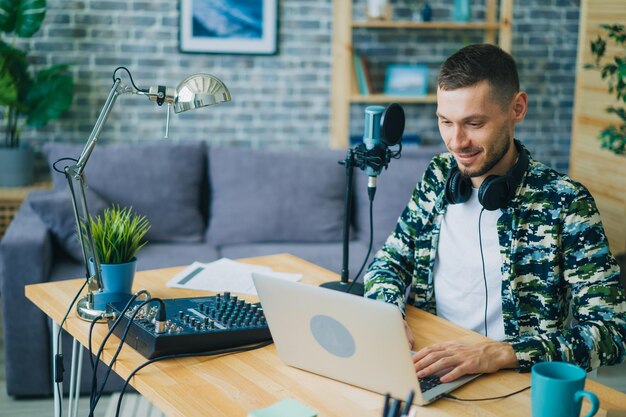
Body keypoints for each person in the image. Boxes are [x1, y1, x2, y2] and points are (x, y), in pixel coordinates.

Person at [363, 43, 626, 383]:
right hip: (429, 365)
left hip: (513, 377)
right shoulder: (439, 174)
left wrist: (502, 352)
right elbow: (389, 262)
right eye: (445, 121)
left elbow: (611, 331)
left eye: (473, 123)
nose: (456, 142)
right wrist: (387, 314)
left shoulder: (566, 202)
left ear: (517, 108)